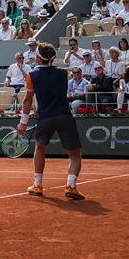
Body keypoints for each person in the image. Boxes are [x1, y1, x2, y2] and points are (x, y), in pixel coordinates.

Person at [15, 45, 85, 200]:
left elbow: (27, 100)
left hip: (45, 117)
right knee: (75, 154)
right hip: (64, 116)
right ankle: (71, 187)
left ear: (39, 58)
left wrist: (23, 123)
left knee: (40, 148)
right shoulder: (64, 74)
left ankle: (37, 185)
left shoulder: (31, 76)